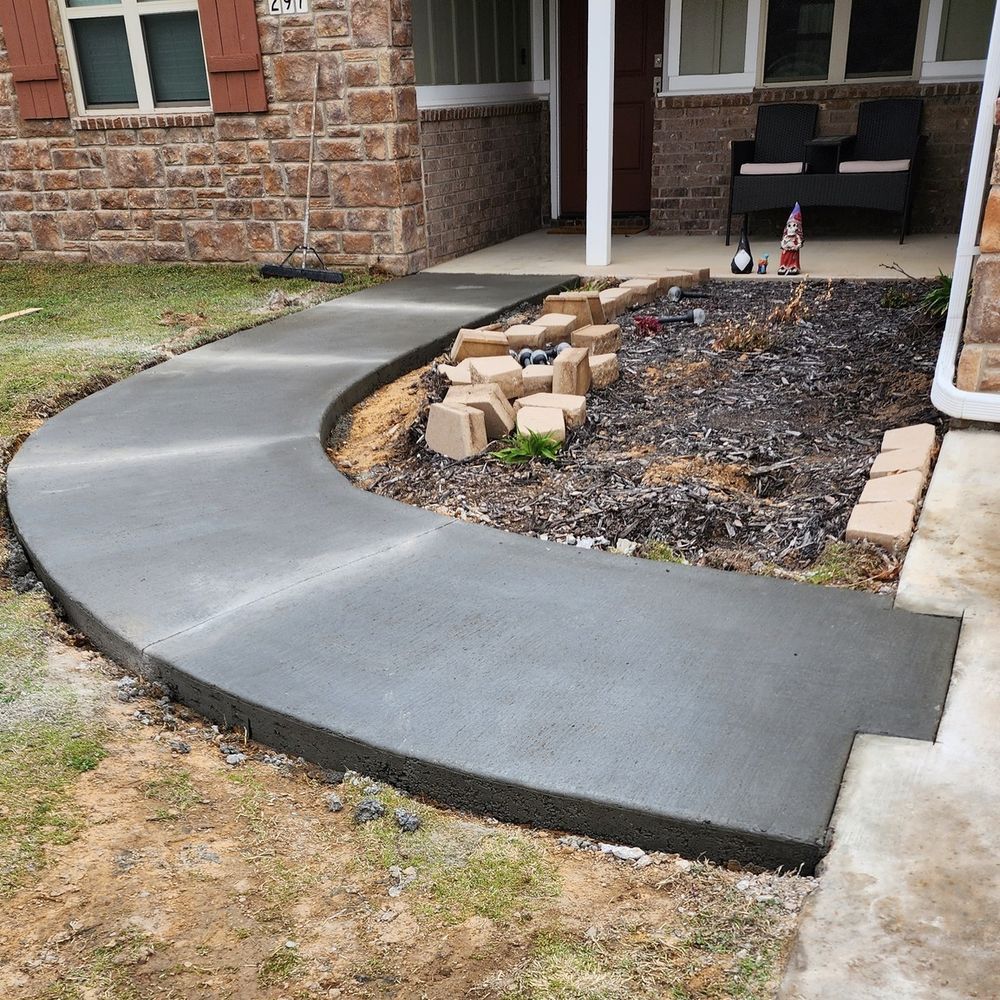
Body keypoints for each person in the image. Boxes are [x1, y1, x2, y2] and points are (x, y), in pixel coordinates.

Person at [777, 203, 803, 276]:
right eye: (789, 226)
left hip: (793, 251)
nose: (791, 228)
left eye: (794, 225)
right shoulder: (786, 237)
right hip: (786, 250)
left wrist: (796, 246)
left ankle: (793, 266)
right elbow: (782, 242)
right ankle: (783, 266)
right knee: (784, 257)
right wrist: (784, 246)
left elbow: (799, 243)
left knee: (794, 258)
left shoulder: (796, 236)